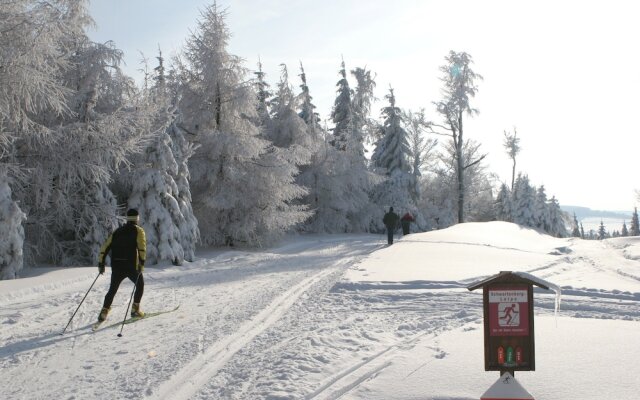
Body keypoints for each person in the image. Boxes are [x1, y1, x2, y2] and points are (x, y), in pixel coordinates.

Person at [97, 208, 147, 322]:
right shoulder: (139, 231)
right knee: (140, 285)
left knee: (112, 289)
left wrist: (101, 263)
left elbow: (105, 247)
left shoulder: (117, 231)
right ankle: (135, 310)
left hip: (117, 265)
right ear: (137, 219)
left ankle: (104, 311)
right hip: (131, 266)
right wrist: (141, 264)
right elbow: (142, 248)